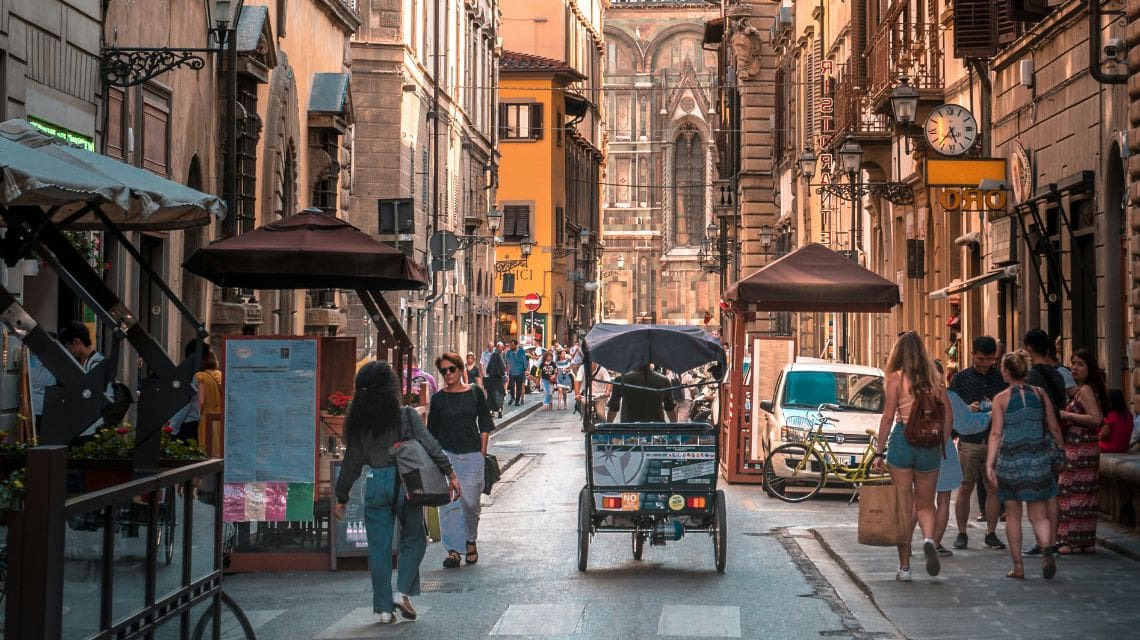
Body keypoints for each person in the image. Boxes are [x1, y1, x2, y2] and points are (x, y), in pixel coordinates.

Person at [334, 361, 460, 624]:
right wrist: (451, 473)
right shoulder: (406, 415)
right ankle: (401, 592)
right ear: (391, 388)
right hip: (406, 483)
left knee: (378, 549)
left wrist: (342, 496)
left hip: (375, 483)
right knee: (414, 538)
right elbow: (431, 445)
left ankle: (383, 609)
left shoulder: (359, 424)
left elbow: (352, 462)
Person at [872, 332, 951, 581]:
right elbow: (948, 414)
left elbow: (887, 417)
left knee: (904, 508)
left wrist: (879, 451)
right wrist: (942, 442)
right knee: (926, 504)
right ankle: (929, 539)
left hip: (903, 440)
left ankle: (904, 568)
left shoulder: (895, 379)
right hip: (928, 443)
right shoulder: (936, 379)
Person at [986, 351, 1063, 579]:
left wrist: (990, 463)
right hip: (1038, 458)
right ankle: (1046, 546)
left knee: (1013, 515)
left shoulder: (1001, 398)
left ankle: (1018, 566)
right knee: (1038, 514)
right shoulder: (1040, 394)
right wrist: (1061, 450)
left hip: (1011, 460)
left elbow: (996, 433)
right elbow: (1054, 426)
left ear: (1007, 372)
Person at [427, 352, 495, 568]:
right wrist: (438, 461)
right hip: (447, 455)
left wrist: (482, 451)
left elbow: (485, 422)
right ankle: (454, 550)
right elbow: (432, 432)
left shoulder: (474, 393)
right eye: (443, 371)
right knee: (449, 504)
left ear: (460, 369)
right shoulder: (437, 399)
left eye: (451, 369)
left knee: (471, 503)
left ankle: (470, 540)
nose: (447, 374)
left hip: (473, 454)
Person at [948, 335, 1007, 551]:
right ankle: (962, 533)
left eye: (989, 359)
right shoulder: (961, 379)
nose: (984, 363)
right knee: (965, 487)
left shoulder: (999, 379)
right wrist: (967, 409)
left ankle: (991, 533)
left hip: (993, 439)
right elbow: (951, 408)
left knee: (993, 487)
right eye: (981, 359)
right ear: (973, 355)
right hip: (970, 440)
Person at [1055, 348, 1106, 554]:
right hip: (1083, 446)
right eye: (1073, 363)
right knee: (1082, 493)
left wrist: (1066, 415)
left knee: (1071, 492)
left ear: (1089, 368)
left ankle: (1072, 540)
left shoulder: (1085, 391)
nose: (1074, 367)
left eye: (1080, 364)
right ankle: (1083, 540)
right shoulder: (1086, 389)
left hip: (1080, 448)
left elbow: (1096, 419)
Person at [1022, 328, 1067, 556]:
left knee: (1036, 494)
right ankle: (1053, 539)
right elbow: (1061, 407)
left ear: (1029, 349)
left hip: (1036, 439)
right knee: (1052, 492)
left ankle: (1042, 542)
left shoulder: (1030, 378)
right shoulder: (1059, 374)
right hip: (1055, 436)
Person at [57, 320, 111, 439]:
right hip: (88, 427)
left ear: (76, 342)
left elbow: (90, 397)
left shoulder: (96, 364)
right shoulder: (89, 362)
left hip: (92, 429)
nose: (68, 351)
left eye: (68, 346)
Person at [931, 359, 962, 558]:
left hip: (922, 446)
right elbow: (949, 419)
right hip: (943, 448)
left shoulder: (916, 390)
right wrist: (942, 442)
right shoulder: (942, 391)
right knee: (943, 500)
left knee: (923, 501)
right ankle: (935, 543)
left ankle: (921, 540)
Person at [605, 365, 678, 423]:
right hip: (656, 429)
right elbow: (670, 409)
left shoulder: (621, 380)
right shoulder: (663, 380)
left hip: (629, 429)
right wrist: (675, 432)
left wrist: (608, 429)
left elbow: (613, 408)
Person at [195, 350, 224, 456]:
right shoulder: (219, 375)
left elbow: (201, 401)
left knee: (205, 447)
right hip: (219, 418)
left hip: (205, 417)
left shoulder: (200, 376)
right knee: (218, 448)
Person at [1100, 389, 1133, 453]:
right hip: (1124, 447)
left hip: (1109, 447)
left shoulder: (1112, 415)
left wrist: (1098, 437)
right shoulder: (1129, 415)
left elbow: (1104, 434)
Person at [483, 342, 507, 419]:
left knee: (491, 395)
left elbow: (488, 369)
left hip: (491, 379)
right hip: (499, 379)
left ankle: (492, 411)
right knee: (500, 394)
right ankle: (499, 409)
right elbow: (502, 367)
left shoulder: (494, 355)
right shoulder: (498, 355)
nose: (501, 349)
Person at [505, 340, 528, 406]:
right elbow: (507, 362)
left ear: (516, 345)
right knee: (511, 385)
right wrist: (507, 370)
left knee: (519, 387)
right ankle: (512, 397)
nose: (511, 346)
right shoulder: (509, 353)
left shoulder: (521, 351)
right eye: (510, 345)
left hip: (520, 372)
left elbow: (525, 360)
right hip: (511, 372)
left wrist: (526, 369)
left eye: (512, 345)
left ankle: (517, 401)